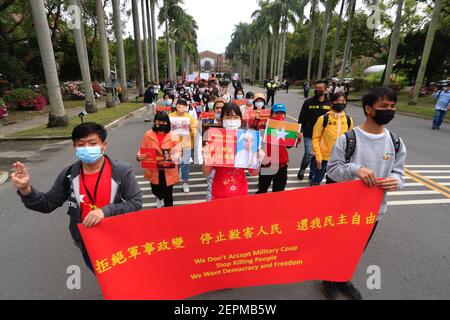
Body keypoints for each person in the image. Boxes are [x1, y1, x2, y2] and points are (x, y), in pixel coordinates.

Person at [11, 122, 143, 272]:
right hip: (88, 242)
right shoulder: (69, 175)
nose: (86, 148)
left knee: (123, 276)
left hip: (119, 238)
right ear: (74, 147)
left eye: (92, 143)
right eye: (81, 144)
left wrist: (104, 211)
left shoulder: (121, 172)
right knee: (103, 276)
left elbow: (135, 203)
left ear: (103, 145)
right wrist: (25, 189)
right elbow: (47, 204)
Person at [324, 87, 406, 300]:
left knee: (355, 249)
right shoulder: (348, 139)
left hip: (373, 211)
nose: (389, 110)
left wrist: (394, 181)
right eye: (384, 106)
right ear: (369, 109)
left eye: (392, 106)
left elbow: (399, 173)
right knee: (335, 245)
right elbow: (332, 170)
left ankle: (342, 278)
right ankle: (328, 278)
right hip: (343, 208)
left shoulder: (396, 142)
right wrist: (355, 169)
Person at [202, 103, 264, 200]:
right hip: (219, 191)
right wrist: (206, 158)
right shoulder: (216, 138)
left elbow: (254, 173)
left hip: (240, 191)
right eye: (228, 117)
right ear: (221, 119)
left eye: (235, 117)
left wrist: (258, 160)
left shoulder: (247, 138)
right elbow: (206, 172)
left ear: (240, 119)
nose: (232, 120)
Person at [137, 112, 181, 208]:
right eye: (158, 121)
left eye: (163, 122)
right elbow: (142, 149)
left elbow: (178, 149)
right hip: (153, 169)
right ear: (154, 121)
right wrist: (139, 156)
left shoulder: (173, 135)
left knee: (168, 194)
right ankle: (159, 197)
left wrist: (176, 156)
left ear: (167, 123)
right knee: (156, 190)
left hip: (168, 169)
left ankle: (168, 213)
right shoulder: (148, 135)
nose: (160, 124)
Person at [311, 92, 353, 186]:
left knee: (333, 184)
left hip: (339, 159)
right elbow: (315, 138)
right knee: (317, 181)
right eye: (337, 101)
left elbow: (350, 140)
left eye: (343, 101)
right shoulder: (323, 118)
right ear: (332, 102)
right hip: (323, 158)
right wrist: (318, 157)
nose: (340, 103)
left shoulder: (348, 120)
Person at [257, 104, 301, 193]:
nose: (280, 116)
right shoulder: (265, 125)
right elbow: (253, 128)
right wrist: (256, 119)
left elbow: (288, 146)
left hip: (281, 166)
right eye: (277, 113)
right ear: (271, 114)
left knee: (279, 192)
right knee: (262, 190)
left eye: (282, 113)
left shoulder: (287, 128)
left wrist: (298, 138)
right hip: (267, 165)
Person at [297, 80, 331, 182]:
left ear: (325, 89)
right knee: (309, 153)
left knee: (317, 155)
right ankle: (302, 169)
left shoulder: (329, 103)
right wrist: (300, 130)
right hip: (309, 133)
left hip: (323, 136)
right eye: (316, 88)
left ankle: (312, 172)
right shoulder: (308, 102)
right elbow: (301, 118)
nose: (317, 90)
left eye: (320, 88)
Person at [169, 99, 196, 193]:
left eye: (183, 105)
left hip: (187, 145)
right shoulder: (170, 116)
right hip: (173, 145)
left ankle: (185, 183)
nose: (181, 106)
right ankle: (173, 178)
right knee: (173, 164)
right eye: (179, 104)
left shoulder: (190, 118)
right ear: (176, 105)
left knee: (185, 165)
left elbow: (195, 132)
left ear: (186, 107)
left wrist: (190, 130)